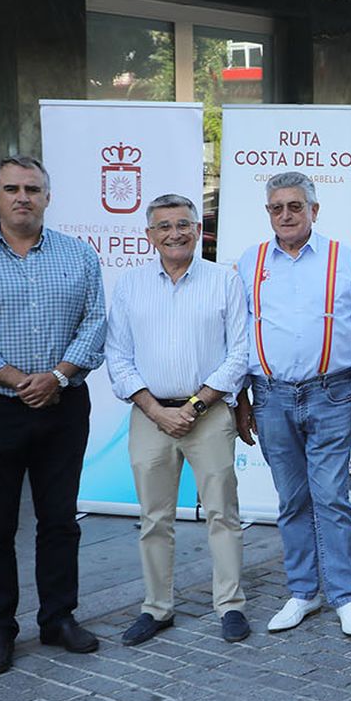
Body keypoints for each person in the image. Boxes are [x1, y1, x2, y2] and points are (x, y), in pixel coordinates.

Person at [0, 155, 107, 675]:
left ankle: (58, 618)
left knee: (59, 520)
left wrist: (55, 377)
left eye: (32, 189)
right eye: (11, 188)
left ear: (47, 197)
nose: (22, 197)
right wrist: (21, 381)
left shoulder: (79, 255)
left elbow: (95, 324)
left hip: (63, 405)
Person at [235, 171, 351, 637]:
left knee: (332, 499)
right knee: (292, 500)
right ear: (268, 213)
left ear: (314, 211)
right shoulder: (250, 261)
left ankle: (344, 596)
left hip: (331, 394)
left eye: (295, 206)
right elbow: (238, 336)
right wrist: (240, 400)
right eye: (276, 208)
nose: (286, 215)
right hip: (270, 397)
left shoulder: (343, 258)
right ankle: (303, 593)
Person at [107, 195, 251, 646]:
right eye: (164, 226)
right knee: (154, 518)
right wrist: (156, 410)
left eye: (184, 224)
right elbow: (118, 356)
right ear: (150, 235)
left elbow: (239, 353)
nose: (175, 233)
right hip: (150, 416)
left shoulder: (224, 281)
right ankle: (157, 608)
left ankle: (230, 605)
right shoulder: (130, 285)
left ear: (198, 230)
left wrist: (195, 407)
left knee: (222, 514)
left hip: (208, 414)